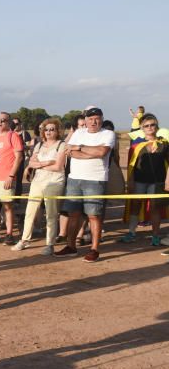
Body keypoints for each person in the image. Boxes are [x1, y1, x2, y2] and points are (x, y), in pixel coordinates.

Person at [55, 106, 117, 262]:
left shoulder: (108, 134)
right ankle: (71, 246)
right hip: (74, 178)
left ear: (101, 119)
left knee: (94, 216)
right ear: (86, 120)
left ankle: (94, 249)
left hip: (96, 179)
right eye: (90, 119)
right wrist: (89, 152)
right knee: (73, 214)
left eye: (97, 118)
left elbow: (102, 152)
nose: (93, 121)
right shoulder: (78, 133)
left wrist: (80, 148)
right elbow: (70, 152)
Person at [13, 118, 67, 254]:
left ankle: (50, 244)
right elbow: (32, 163)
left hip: (54, 181)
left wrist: (41, 164)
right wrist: (47, 162)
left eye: (52, 129)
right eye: (46, 129)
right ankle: (24, 240)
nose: (48, 132)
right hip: (37, 181)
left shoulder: (62, 145)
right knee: (30, 211)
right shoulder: (38, 145)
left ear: (57, 131)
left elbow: (58, 166)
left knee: (51, 213)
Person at [121, 113, 168, 245]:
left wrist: (167, 180)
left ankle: (156, 236)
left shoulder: (164, 144)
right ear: (142, 128)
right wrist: (130, 181)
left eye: (152, 125)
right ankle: (131, 232)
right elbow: (132, 165)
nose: (150, 127)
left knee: (155, 208)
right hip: (139, 181)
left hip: (157, 182)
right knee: (135, 206)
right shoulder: (137, 146)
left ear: (157, 126)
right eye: (146, 126)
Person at [0, 112, 24, 245]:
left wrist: (11, 176)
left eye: (4, 120)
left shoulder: (13, 136)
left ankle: (9, 234)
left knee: (7, 206)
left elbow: (19, 157)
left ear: (9, 122)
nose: (0, 123)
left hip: (6, 177)